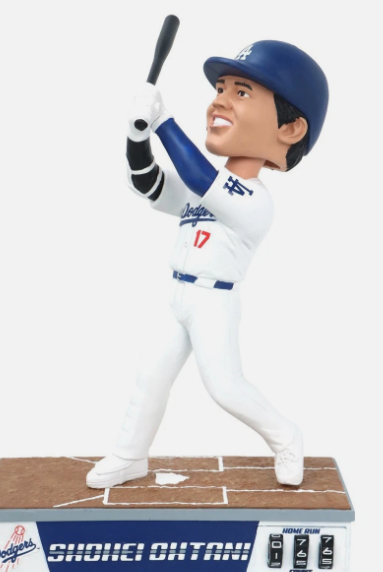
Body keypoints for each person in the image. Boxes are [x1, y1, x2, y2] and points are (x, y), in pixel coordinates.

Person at [86, 40, 329, 488]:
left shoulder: (255, 201)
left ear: (291, 128)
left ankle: (285, 436)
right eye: (221, 89)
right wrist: (137, 135)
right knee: (149, 378)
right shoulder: (201, 187)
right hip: (175, 294)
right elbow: (147, 182)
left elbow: (201, 176)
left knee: (225, 387)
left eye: (241, 92)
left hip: (214, 301)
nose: (220, 100)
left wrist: (162, 121)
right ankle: (129, 456)